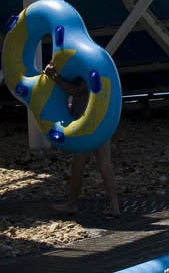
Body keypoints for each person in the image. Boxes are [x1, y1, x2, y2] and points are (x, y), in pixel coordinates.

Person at [44, 60, 121, 218]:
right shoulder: (99, 67)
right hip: (100, 121)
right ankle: (115, 206)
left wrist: (55, 76)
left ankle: (72, 204)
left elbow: (76, 89)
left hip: (86, 126)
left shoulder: (86, 67)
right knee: (105, 162)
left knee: (77, 166)